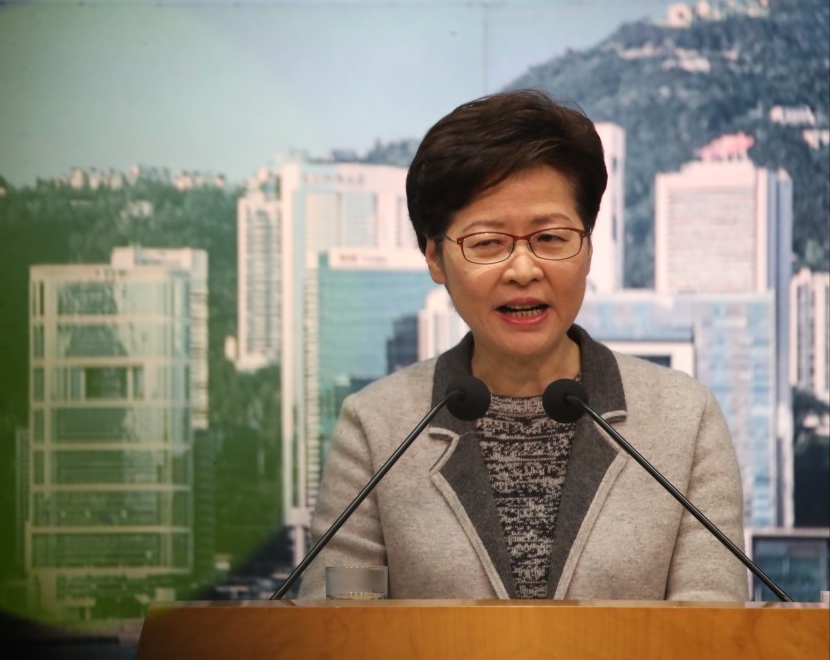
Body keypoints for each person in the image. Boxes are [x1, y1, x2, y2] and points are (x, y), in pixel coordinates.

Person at [295, 88, 747, 601]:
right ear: (435, 259)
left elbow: (713, 630)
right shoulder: (377, 428)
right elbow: (341, 634)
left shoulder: (685, 421)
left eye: (551, 238)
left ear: (588, 247)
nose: (524, 269)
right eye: (488, 243)